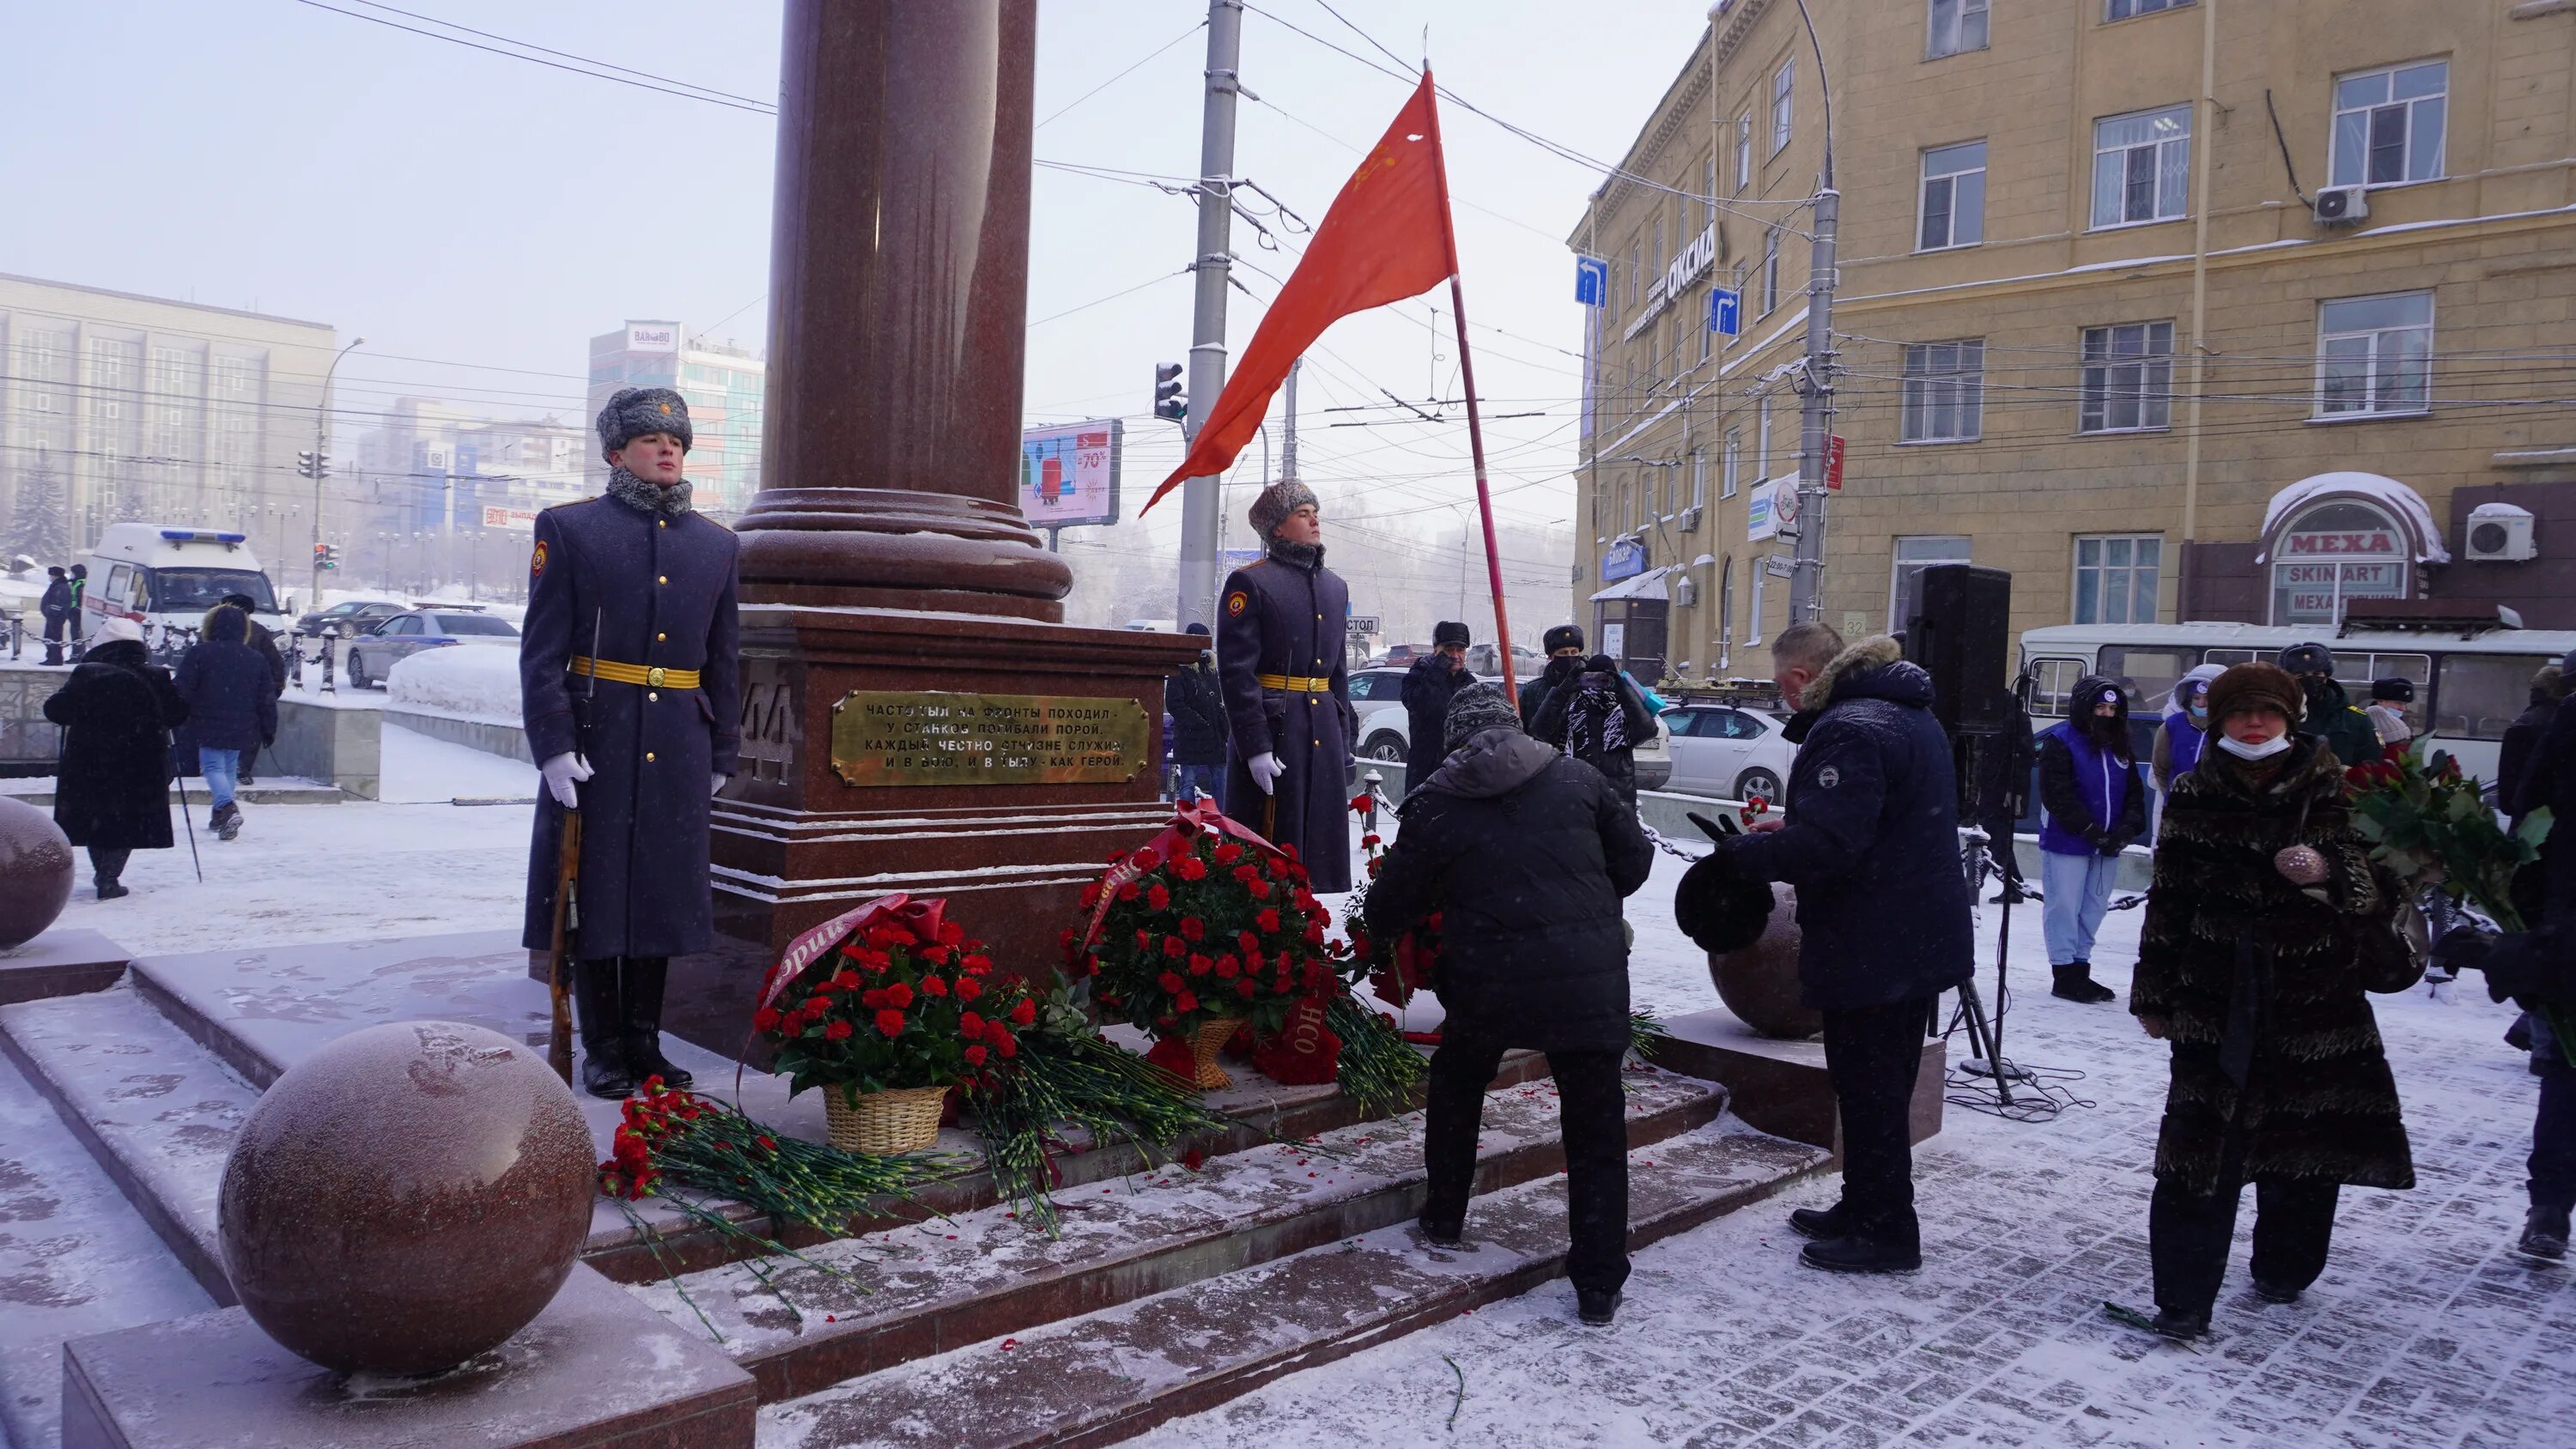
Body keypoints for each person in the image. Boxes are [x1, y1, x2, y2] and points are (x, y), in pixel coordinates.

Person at [2131, 662, 2413, 1340]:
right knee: (2198, 1151)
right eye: (2239, 713)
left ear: (2291, 718)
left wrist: (2329, 871)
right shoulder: (2196, 792)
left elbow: (2386, 888)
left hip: (2316, 997)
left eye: (2267, 713)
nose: (2253, 724)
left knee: (2303, 1148)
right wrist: (2155, 989)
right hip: (2214, 995)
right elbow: (2169, 900)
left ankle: (2286, 1269)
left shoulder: (2336, 790)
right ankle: (2183, 1299)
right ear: (2218, 719)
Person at [1364, 681, 1654, 1325]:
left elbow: (1388, 909)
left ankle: (1444, 1214)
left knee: (1459, 1083)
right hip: (1586, 981)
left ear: (1455, 742)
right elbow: (1634, 865)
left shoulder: (1437, 803)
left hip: (1487, 982)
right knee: (1596, 1128)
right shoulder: (1579, 778)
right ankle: (1599, 1281)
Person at [1689, 622, 1973, 1273]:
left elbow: (1831, 848)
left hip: (1874, 941)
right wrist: (1797, 824)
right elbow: (1877, 820)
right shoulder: (1905, 712)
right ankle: (1865, 1205)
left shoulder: (1848, 728)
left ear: (1796, 680)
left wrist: (1743, 853)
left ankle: (1887, 1233)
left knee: (1869, 1087)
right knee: (1881, 1086)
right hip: (1912, 936)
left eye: (1779, 686)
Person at [522, 386, 742, 1099]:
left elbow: (724, 658)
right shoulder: (572, 528)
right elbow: (542, 651)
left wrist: (723, 753)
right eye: (650, 439)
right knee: (593, 892)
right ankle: (603, 1044)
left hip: (679, 741)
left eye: (675, 440)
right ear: (616, 452)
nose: (667, 448)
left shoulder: (716, 545)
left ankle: (647, 1042)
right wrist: (553, 745)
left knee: (659, 899)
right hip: (598, 738)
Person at [1215, 480, 1354, 893]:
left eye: (1315, 512)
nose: (1314, 521)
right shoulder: (1250, 583)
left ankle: (1303, 938)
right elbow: (1237, 672)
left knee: (1315, 854)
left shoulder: (1335, 587)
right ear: (1277, 528)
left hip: (1322, 731)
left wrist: (1344, 743)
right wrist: (1254, 746)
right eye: (1302, 513)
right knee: (1268, 854)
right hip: (1276, 732)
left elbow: (1338, 676)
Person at [42, 615, 186, 898]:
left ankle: (104, 874)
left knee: (99, 818)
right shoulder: (156, 675)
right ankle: (110, 875)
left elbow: (55, 711)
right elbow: (178, 713)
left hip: (91, 762)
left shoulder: (87, 674)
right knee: (130, 820)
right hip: (141, 763)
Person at [2036, 676, 2144, 1005]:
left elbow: (2133, 795)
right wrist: (2091, 831)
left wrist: (2124, 831)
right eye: (2100, 707)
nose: (2107, 715)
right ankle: (2064, 973)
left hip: (2107, 845)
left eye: (2113, 708)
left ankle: (2081, 967)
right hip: (2069, 842)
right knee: (2064, 907)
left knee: (2093, 908)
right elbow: (2058, 795)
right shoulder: (2062, 741)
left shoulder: (2119, 746)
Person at [173, 603, 277, 843]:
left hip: (207, 720)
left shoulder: (199, 653)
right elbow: (266, 698)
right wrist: (268, 728)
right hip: (242, 722)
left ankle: (227, 807)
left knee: (212, 767)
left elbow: (182, 688)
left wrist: (176, 716)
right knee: (229, 767)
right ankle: (219, 817)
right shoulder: (255, 658)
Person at [1532, 652, 1659, 809]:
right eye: (1591, 678)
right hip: (1576, 799)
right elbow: (1539, 730)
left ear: (1614, 679)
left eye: (1603, 679)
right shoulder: (1572, 708)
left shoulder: (1624, 712)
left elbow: (1648, 731)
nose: (1597, 684)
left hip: (1616, 801)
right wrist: (1562, 691)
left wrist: (1625, 692)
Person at [216, 592, 287, 785]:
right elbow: (276, 665)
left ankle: (220, 770)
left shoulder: (212, 632)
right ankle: (242, 766)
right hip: (251, 696)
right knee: (250, 733)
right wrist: (274, 690)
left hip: (218, 694)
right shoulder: (260, 632)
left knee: (218, 735)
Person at [2276, 643, 2378, 769]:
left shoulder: (2354, 719)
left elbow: (2371, 765)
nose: (2311, 680)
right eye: (2301, 675)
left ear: (2327, 675)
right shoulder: (2275, 716)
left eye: (2317, 674)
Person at [1400, 620, 1473, 787]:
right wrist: (1437, 671)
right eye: (1448, 650)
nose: (1455, 656)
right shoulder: (1417, 677)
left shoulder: (1470, 682)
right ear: (1435, 651)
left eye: (1460, 650)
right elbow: (1421, 705)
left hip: (1459, 772)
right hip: (1424, 771)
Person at [1165, 621, 1229, 803]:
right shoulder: (1180, 670)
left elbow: (1217, 703)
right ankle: (1188, 825)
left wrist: (1223, 727)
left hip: (1214, 737)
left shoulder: (1210, 669)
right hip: (1191, 737)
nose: (1203, 648)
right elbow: (1175, 704)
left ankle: (1221, 825)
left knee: (1220, 782)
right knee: (1188, 783)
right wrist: (1199, 722)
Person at [2497, 664, 2567, 826]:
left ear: (2537, 692)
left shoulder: (2521, 727)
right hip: (2565, 822)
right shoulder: (2567, 723)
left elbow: (2507, 794)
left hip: (2529, 824)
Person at [2151, 664, 2223, 797]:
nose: (2201, 704)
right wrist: (2172, 797)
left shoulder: (2231, 728)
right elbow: (2161, 769)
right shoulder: (2172, 726)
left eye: (2207, 698)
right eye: (2196, 698)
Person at [1519, 624, 1587, 729]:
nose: (1569, 657)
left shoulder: (1591, 685)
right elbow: (1525, 729)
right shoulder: (1533, 691)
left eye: (1574, 652)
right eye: (1563, 653)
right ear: (1551, 656)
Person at [2366, 678, 2415, 751]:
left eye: (2405, 704)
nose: (2403, 709)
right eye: (2398, 703)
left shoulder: (2403, 721)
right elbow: (2381, 748)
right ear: (2381, 701)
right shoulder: (2371, 723)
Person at [39, 565, 74, 666]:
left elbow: (58, 603)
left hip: (55, 617)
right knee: (50, 637)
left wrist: (50, 611)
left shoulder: (61, 586)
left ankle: (55, 659)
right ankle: (51, 657)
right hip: (52, 617)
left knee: (53, 637)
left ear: (56, 575)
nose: (50, 577)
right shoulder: (57, 585)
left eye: (51, 575)